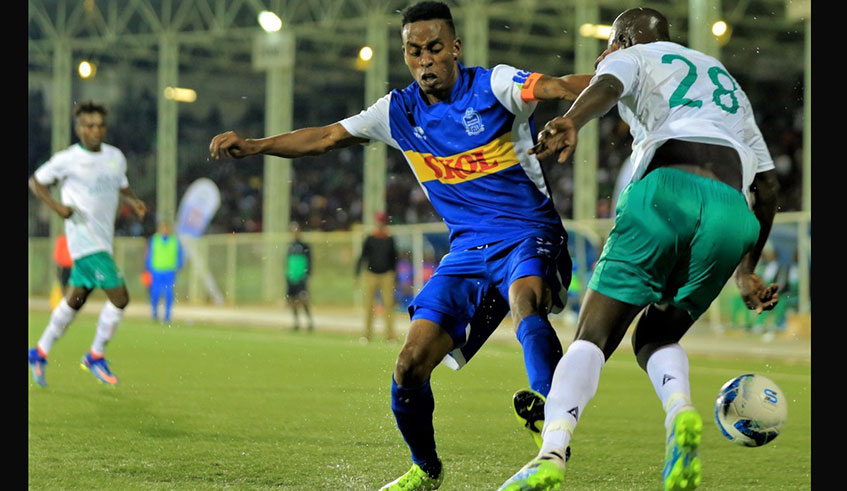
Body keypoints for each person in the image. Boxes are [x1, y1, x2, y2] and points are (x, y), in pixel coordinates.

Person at [209, 2, 592, 488]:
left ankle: (552, 425)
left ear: (455, 48)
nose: (425, 60)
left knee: (525, 301)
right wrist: (258, 145)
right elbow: (327, 137)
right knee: (409, 364)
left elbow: (557, 86)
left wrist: (619, 80)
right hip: (467, 251)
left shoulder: (493, 86)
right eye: (415, 52)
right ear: (405, 55)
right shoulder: (397, 112)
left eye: (435, 48)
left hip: (528, 234)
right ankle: (426, 470)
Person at [499, 8, 780, 491]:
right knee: (654, 335)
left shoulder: (636, 54)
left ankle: (552, 452)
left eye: (611, 43)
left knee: (594, 335)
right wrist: (746, 270)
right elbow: (770, 187)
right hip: (734, 212)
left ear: (625, 38)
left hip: (667, 188)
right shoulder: (724, 79)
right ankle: (680, 416)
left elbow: (607, 88)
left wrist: (571, 121)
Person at [28, 100, 147, 388]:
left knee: (74, 301)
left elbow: (120, 184)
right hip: (84, 240)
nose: (95, 130)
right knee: (120, 297)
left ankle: (38, 352)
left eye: (100, 125)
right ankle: (96, 355)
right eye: (89, 125)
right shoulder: (67, 159)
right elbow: (36, 182)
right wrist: (57, 207)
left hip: (103, 240)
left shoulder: (115, 157)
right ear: (79, 128)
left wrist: (133, 200)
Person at [355, 212, 398, 342]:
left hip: (387, 275)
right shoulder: (370, 238)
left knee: (388, 306)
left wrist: (394, 276)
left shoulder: (389, 239)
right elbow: (363, 257)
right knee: (369, 306)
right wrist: (357, 274)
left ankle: (390, 336)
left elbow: (393, 259)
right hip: (371, 274)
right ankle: (367, 335)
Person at [145, 220, 184, 324]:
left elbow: (180, 255)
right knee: (155, 293)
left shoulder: (174, 241)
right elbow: (149, 255)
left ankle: (167, 316)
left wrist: (178, 267)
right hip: (156, 271)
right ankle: (154, 314)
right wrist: (149, 268)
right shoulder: (154, 239)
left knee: (168, 293)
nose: (165, 230)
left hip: (169, 271)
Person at [285, 223, 314, 331]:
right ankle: (296, 322)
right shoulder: (290, 246)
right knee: (292, 300)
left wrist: (307, 274)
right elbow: (288, 262)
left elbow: (310, 261)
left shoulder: (305, 246)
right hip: (291, 277)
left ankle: (309, 321)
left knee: (303, 299)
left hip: (301, 277)